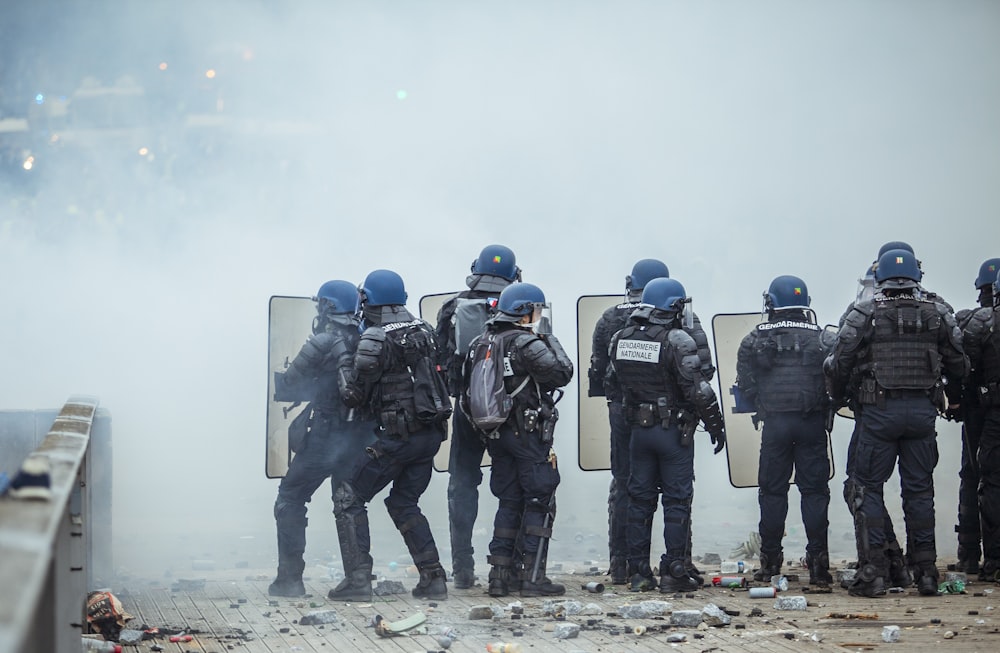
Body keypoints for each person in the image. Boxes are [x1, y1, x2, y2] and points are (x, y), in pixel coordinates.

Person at [827, 248, 968, 597]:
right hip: (922, 415)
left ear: (881, 277)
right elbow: (960, 363)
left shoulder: (865, 312)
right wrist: (950, 393)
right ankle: (926, 573)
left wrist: (843, 397)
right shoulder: (938, 311)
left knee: (866, 488)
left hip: (877, 414)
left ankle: (874, 571)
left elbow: (839, 361)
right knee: (919, 492)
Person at [587, 259, 715, 586]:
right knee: (677, 492)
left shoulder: (612, 319)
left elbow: (599, 374)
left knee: (629, 488)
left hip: (627, 416)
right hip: (672, 421)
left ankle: (626, 566)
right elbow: (702, 372)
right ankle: (678, 565)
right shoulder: (683, 322)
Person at [328, 269, 452, 602]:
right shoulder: (423, 329)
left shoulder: (375, 336)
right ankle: (433, 578)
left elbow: (354, 394)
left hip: (398, 438)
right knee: (404, 502)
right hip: (429, 436)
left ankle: (357, 582)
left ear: (368, 299)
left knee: (348, 498)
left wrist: (342, 361)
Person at [461, 282, 574, 598]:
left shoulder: (480, 342)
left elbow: (463, 388)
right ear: (525, 311)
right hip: (528, 434)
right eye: (536, 310)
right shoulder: (526, 343)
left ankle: (499, 577)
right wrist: (549, 338)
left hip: (496, 434)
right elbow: (562, 373)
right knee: (540, 499)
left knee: (509, 501)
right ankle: (533, 578)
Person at [268, 280, 373, 597]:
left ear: (327, 307)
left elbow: (289, 383)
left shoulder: (323, 340)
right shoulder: (367, 338)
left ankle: (289, 580)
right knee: (349, 504)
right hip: (358, 438)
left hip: (326, 437)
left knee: (289, 498)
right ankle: (358, 582)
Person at [736, 275, 833, 586]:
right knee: (815, 492)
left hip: (775, 426)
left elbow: (745, 385)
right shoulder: (821, 337)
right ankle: (818, 566)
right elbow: (836, 376)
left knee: (773, 492)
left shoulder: (754, 338)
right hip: (812, 424)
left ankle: (770, 563)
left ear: (772, 303)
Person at [434, 244, 521, 589]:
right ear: (513, 273)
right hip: (511, 414)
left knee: (462, 485)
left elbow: (437, 359)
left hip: (468, 410)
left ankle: (463, 569)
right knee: (511, 487)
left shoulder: (454, 306)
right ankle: (505, 566)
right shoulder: (523, 304)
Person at [953, 258, 1000, 575]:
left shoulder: (977, 322)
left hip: (982, 411)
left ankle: (976, 556)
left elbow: (960, 368)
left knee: (979, 479)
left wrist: (957, 402)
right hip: (984, 409)